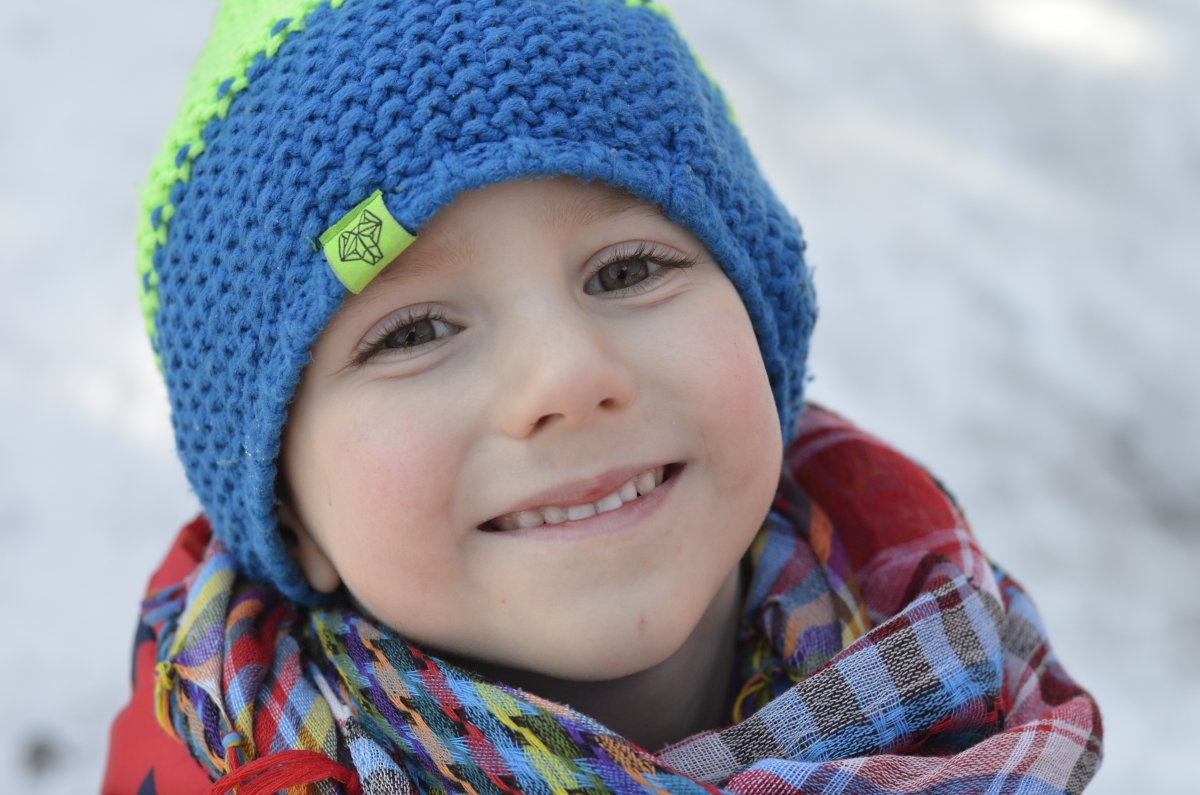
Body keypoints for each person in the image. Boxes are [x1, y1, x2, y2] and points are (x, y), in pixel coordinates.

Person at [103, 1, 1103, 793]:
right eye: (412, 333)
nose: (568, 378)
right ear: (288, 513)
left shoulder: (968, 686)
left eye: (626, 271)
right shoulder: (231, 764)